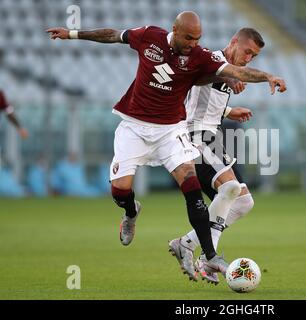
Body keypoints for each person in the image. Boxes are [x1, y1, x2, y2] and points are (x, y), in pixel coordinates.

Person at [46, 11, 287, 282]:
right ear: (175, 29)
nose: (192, 44)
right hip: (146, 126)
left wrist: (247, 93)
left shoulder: (199, 57)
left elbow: (216, 84)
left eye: (197, 39)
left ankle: (205, 254)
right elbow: (114, 35)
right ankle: (133, 213)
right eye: (188, 37)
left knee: (236, 199)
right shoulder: (155, 38)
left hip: (175, 131)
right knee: (120, 189)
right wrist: (74, 33)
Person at [172, 28, 264, 285]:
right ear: (233, 42)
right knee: (232, 188)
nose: (248, 59)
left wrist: (228, 110)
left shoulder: (224, 69)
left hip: (211, 137)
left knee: (243, 202)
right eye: (247, 51)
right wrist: (230, 77)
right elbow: (202, 75)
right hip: (195, 137)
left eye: (253, 56)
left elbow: (202, 98)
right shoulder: (212, 60)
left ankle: (187, 243)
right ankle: (206, 256)